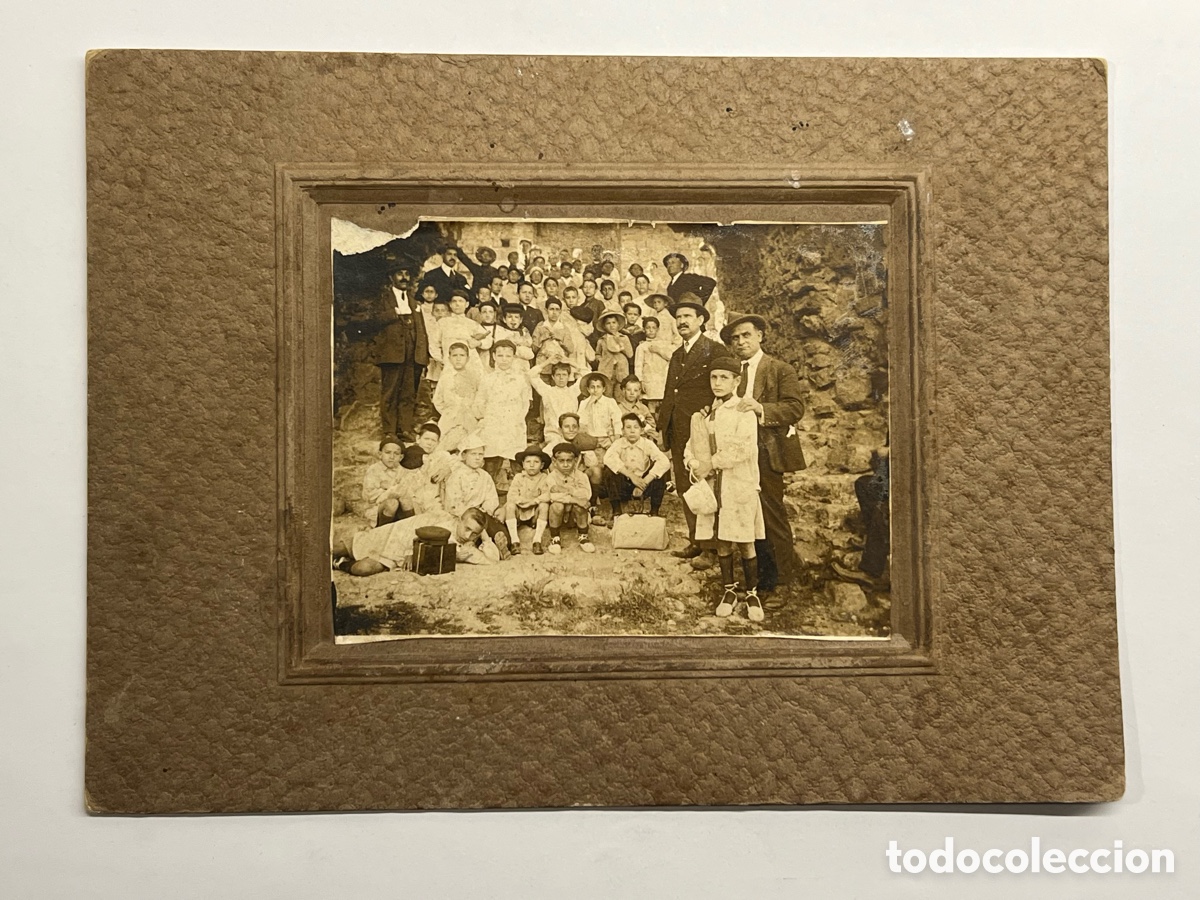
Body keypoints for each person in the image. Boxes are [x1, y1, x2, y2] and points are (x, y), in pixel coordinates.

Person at [719, 313, 807, 602]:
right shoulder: (730, 373)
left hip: (767, 454)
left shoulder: (779, 369)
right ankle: (755, 580)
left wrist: (761, 409)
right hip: (736, 457)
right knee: (744, 514)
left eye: (746, 335)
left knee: (772, 515)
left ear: (760, 335)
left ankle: (782, 581)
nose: (741, 341)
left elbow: (794, 408)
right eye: (735, 338)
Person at [684, 357, 766, 620]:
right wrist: (694, 463)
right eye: (714, 378)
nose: (717, 383)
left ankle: (752, 593)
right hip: (713, 486)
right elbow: (692, 446)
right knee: (722, 540)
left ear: (737, 381)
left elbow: (741, 449)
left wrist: (710, 463)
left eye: (724, 378)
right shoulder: (707, 414)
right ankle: (729, 591)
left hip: (738, 483)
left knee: (745, 540)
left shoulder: (743, 412)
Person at [657, 298, 735, 568]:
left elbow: (726, 383)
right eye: (678, 317)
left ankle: (712, 549)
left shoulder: (713, 349)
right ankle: (696, 541)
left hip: (702, 428)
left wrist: (711, 412)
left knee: (705, 484)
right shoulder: (678, 354)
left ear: (701, 320)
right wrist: (663, 427)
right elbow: (670, 392)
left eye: (688, 316)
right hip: (677, 429)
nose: (682, 321)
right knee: (683, 484)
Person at [332, 507, 498, 576]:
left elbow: (492, 561)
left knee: (363, 568)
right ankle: (340, 553)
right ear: (459, 520)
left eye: (474, 533)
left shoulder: (467, 545)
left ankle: (340, 564)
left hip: (393, 555)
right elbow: (413, 532)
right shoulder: (443, 523)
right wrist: (411, 552)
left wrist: (484, 537)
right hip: (394, 536)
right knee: (337, 547)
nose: (469, 536)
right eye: (467, 529)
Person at [369, 262, 430, 443]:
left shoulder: (413, 301)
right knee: (390, 394)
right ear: (391, 278)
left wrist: (422, 355)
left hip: (412, 356)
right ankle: (389, 431)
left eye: (406, 274)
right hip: (392, 354)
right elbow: (372, 321)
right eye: (399, 274)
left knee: (408, 394)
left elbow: (421, 329)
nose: (404, 277)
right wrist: (394, 313)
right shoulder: (383, 299)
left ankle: (405, 429)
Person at [441, 433, 511, 558]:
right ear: (464, 455)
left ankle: (501, 544)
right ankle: (487, 545)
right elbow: (453, 503)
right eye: (473, 454)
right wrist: (471, 513)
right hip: (462, 516)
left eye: (480, 454)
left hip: (481, 514)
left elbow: (491, 498)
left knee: (496, 528)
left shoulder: (484, 476)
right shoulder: (457, 476)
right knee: (472, 528)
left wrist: (485, 509)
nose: (477, 458)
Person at [472, 340, 532, 484]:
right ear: (493, 356)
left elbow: (525, 403)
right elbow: (480, 402)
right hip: (493, 424)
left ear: (513, 357)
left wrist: (516, 419)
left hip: (513, 424)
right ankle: (488, 491)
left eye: (508, 356)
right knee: (491, 462)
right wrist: (486, 418)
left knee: (516, 460)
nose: (504, 360)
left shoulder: (520, 379)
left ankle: (519, 493)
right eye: (500, 356)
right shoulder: (487, 379)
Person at [603, 412, 670, 517]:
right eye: (628, 427)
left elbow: (664, 461)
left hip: (644, 482)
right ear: (623, 431)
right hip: (626, 483)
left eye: (636, 427)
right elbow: (608, 458)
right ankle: (616, 511)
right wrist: (631, 476)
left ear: (642, 430)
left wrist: (645, 482)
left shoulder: (647, 443)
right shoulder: (618, 443)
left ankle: (654, 511)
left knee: (662, 470)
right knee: (609, 471)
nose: (632, 431)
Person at [543, 443, 596, 554]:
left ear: (575, 461)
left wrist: (566, 490)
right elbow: (552, 496)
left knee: (581, 505)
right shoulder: (551, 477)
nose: (565, 465)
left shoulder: (581, 476)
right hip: (558, 516)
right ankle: (555, 537)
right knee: (557, 505)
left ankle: (583, 536)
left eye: (569, 461)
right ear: (554, 461)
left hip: (574, 515)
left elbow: (586, 494)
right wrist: (575, 498)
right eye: (561, 461)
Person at [432, 342, 481, 452]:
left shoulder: (474, 377)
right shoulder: (445, 378)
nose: (458, 359)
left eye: (462, 355)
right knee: (443, 447)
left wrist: (473, 412)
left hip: (469, 417)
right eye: (455, 356)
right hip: (449, 417)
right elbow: (438, 399)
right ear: (449, 358)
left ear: (468, 358)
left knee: (469, 446)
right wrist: (448, 411)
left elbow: (480, 397)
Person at [503, 446, 551, 555]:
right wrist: (521, 501)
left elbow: (548, 494)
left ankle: (537, 541)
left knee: (544, 505)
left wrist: (534, 502)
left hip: (535, 513)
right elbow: (512, 495)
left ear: (542, 465)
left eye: (536, 462)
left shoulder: (544, 478)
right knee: (510, 505)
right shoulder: (519, 477)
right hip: (520, 511)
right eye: (528, 462)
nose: (532, 465)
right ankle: (515, 541)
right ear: (523, 464)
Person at [527, 359, 580, 448]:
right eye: (558, 375)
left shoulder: (573, 391)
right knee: (552, 450)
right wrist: (548, 361)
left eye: (564, 375)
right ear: (552, 377)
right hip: (553, 435)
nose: (561, 378)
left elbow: (587, 374)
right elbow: (531, 375)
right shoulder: (547, 391)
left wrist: (570, 361)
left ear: (568, 376)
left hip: (571, 434)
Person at [361, 437, 406, 526]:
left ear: (401, 457)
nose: (392, 457)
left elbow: (406, 490)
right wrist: (391, 491)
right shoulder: (374, 470)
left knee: (406, 500)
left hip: (399, 509)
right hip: (377, 509)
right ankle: (381, 530)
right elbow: (370, 496)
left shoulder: (402, 470)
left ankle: (407, 530)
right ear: (380, 454)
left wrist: (387, 488)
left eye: (396, 454)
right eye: (388, 452)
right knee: (392, 503)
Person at [633, 316, 672, 415]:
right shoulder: (641, 347)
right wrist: (640, 381)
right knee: (651, 405)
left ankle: (661, 428)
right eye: (648, 328)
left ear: (658, 329)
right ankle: (652, 426)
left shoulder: (664, 345)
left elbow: (671, 357)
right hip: (649, 380)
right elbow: (638, 365)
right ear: (644, 329)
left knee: (663, 405)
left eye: (653, 328)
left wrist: (658, 350)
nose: (651, 330)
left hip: (662, 379)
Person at [595, 311, 634, 393]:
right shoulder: (602, 340)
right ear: (604, 326)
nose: (611, 325)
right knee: (607, 393)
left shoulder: (624, 338)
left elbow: (630, 354)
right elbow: (597, 353)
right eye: (608, 323)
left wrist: (620, 342)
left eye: (614, 322)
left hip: (621, 370)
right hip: (607, 370)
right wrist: (601, 360)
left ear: (618, 324)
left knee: (620, 392)